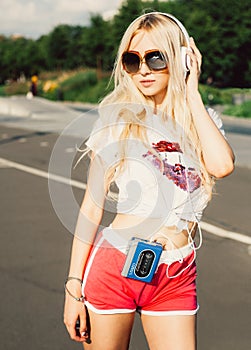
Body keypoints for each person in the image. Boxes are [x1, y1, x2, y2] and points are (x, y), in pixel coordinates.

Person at [63, 12, 234, 350]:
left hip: (177, 273)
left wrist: (192, 94)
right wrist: (73, 287)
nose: (143, 69)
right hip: (114, 266)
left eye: (155, 58)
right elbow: (91, 210)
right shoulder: (116, 122)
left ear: (181, 59)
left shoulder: (202, 122)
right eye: (132, 59)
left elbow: (222, 165)